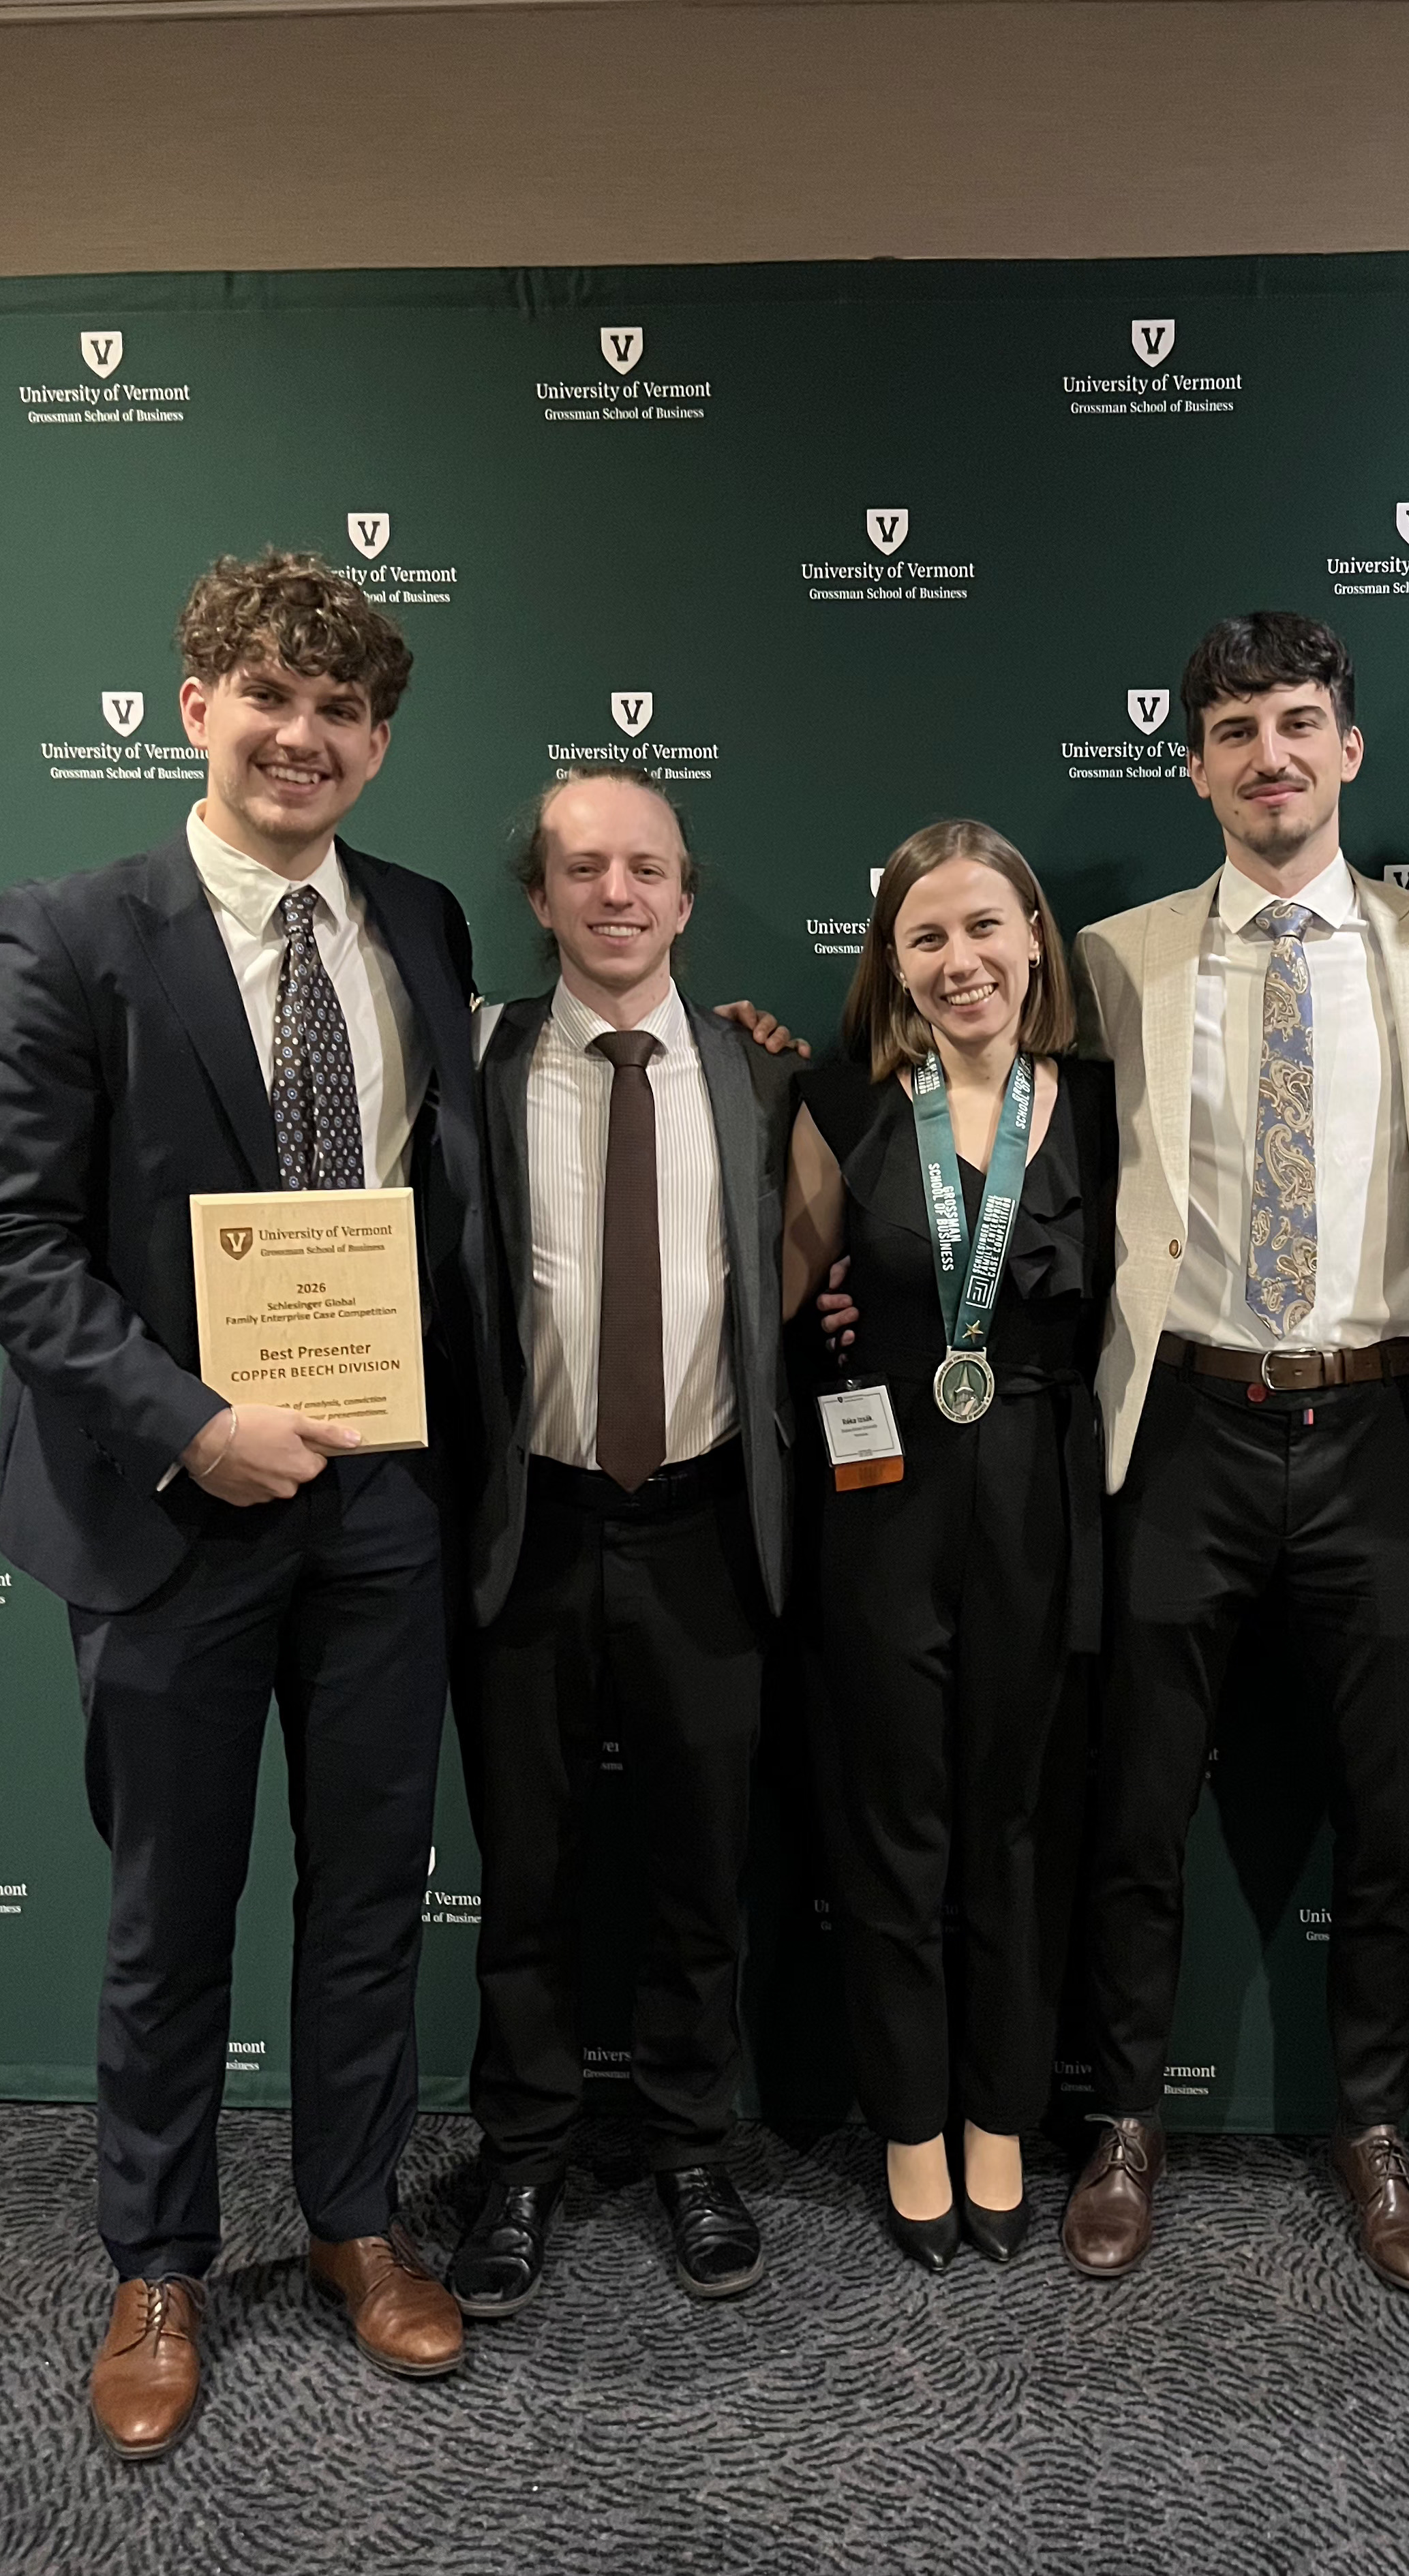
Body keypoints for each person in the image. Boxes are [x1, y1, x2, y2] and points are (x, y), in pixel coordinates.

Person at [0, 551, 484, 2457]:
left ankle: (353, 2220)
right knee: (170, 1912)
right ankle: (160, 2261)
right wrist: (191, 1425)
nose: (302, 736)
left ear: (379, 741)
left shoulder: (421, 921)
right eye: (269, 695)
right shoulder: (69, 930)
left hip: (383, 1506)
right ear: (197, 707)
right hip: (172, 1510)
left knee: (371, 1894)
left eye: (341, 710)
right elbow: (1, 1236)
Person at [1065, 612, 1409, 2293]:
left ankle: (1375, 2130)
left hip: (1382, 1423)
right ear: (1195, 768)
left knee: (1391, 1816)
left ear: (1349, 748)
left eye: (1301, 723)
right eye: (1237, 732)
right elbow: (968, 1100)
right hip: (1185, 1424)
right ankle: (1122, 2120)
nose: (1272, 757)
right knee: (1136, 1805)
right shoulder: (1116, 958)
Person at [450, 765, 798, 2312]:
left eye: (646, 868)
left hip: (705, 1526)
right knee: (525, 1869)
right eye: (584, 868)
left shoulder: (755, 1071)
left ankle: (687, 2144)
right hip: (531, 1523)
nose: (617, 894)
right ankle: (522, 2155)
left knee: (698, 1862)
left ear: (685, 895)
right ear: (540, 897)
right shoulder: (477, 1062)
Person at [781, 821, 1115, 2270]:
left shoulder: (1105, 1106)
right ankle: (911, 2121)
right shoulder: (834, 1102)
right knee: (895, 1822)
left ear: (1035, 938)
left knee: (1019, 1824)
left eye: (987, 926)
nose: (960, 959)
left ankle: (1000, 2115)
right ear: (892, 960)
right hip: (883, 1502)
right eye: (927, 935)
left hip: (1045, 1502)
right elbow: (781, 1308)